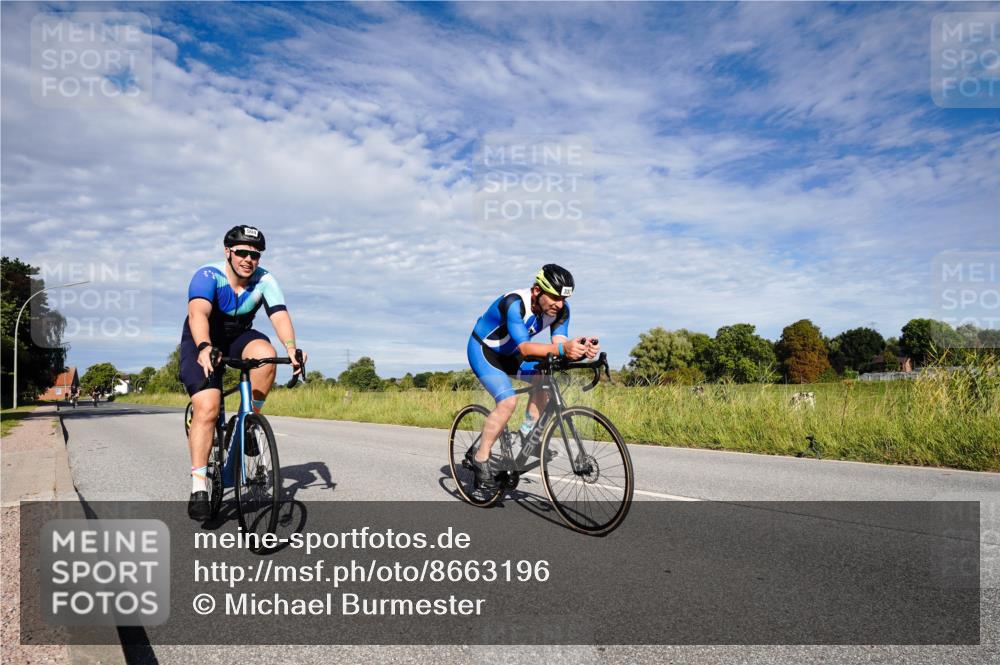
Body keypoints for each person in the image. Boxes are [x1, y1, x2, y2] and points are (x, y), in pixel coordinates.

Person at [179, 226, 306, 520]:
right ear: (228, 252)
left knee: (266, 356)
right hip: (202, 338)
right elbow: (198, 313)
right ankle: (199, 487)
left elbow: (279, 315)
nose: (249, 259)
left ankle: (248, 422)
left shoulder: (265, 280)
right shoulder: (208, 276)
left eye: (255, 255)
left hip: (238, 337)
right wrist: (204, 346)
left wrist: (291, 348)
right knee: (208, 407)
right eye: (242, 253)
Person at [466, 264, 599, 489]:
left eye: (563, 299)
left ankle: (527, 433)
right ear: (537, 290)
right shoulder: (515, 304)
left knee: (545, 379)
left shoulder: (561, 310)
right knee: (508, 402)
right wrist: (563, 349)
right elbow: (526, 348)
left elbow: (559, 346)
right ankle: (480, 457)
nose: (559, 304)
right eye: (554, 297)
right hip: (484, 351)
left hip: (512, 354)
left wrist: (580, 352)